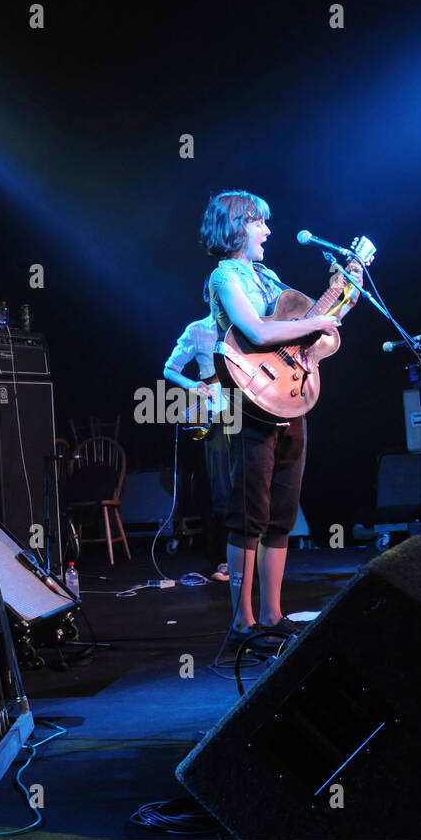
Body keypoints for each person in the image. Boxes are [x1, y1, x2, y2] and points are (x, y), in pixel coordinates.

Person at [199, 190, 360, 646]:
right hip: (250, 397)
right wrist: (314, 324)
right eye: (259, 223)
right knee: (249, 511)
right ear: (236, 227)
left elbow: (311, 338)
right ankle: (242, 622)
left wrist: (338, 305)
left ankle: (272, 614)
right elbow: (256, 330)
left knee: (282, 510)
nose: (267, 231)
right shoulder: (224, 277)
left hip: (290, 397)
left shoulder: (269, 277)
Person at [162, 280, 229, 582]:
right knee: (221, 488)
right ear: (207, 297)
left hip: (250, 407)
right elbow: (170, 368)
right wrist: (194, 386)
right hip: (216, 414)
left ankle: (254, 557)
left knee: (250, 483)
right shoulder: (197, 330)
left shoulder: (246, 325)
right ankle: (221, 560)